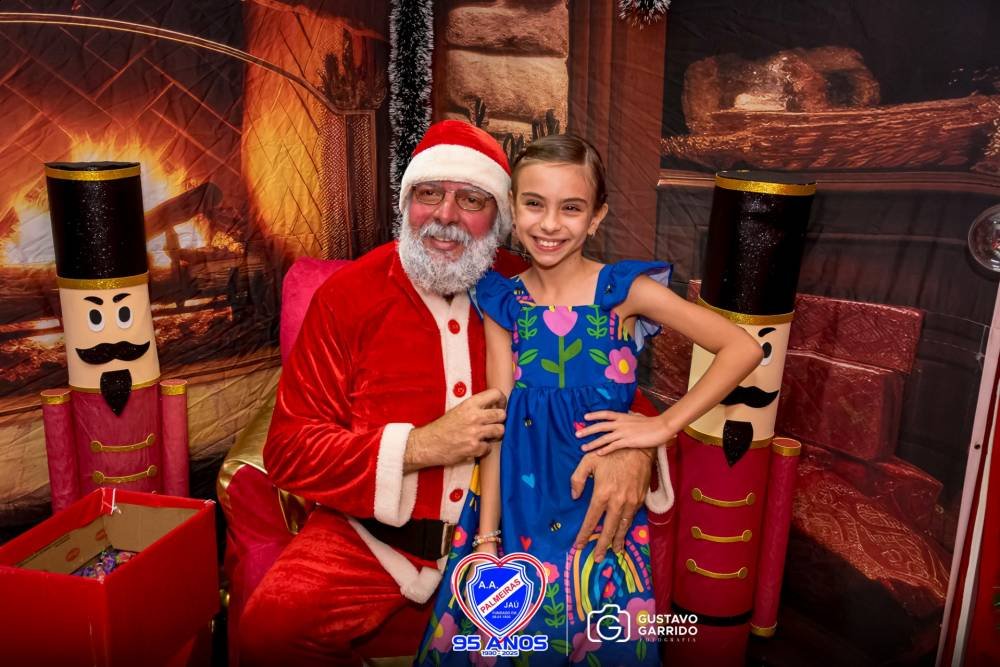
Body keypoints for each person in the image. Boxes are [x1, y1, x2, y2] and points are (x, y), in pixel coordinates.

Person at [238, 121, 663, 665]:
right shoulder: (346, 298)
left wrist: (635, 449)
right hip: (377, 541)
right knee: (270, 631)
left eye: (471, 199)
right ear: (406, 203)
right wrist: (419, 446)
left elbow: (612, 388)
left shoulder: (532, 288)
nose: (445, 215)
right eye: (428, 194)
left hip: (516, 536)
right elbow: (289, 450)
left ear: (501, 215)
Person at [418, 135, 762, 665]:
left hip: (600, 514)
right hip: (520, 512)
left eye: (571, 208)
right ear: (512, 209)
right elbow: (496, 419)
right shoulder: (504, 301)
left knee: (600, 637)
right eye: (535, 204)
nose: (550, 224)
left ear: (596, 217)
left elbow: (742, 348)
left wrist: (661, 427)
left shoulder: (622, 292)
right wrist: (487, 541)